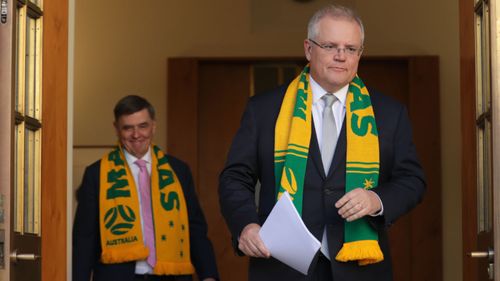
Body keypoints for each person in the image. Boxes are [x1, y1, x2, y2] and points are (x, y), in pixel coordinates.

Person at [219, 4, 425, 281]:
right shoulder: (264, 109)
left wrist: (376, 199)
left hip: (360, 269)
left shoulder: (389, 113)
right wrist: (246, 226)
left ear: (360, 55)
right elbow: (234, 177)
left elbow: (412, 180)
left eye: (351, 49)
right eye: (330, 46)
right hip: (281, 266)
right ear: (308, 49)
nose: (341, 56)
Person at [73, 95, 219, 281]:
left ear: (153, 126)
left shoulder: (178, 170)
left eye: (143, 126)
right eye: (128, 128)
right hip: (118, 276)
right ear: (117, 129)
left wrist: (209, 275)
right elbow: (85, 238)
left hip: (170, 276)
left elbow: (194, 228)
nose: (136, 135)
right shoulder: (96, 173)